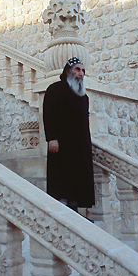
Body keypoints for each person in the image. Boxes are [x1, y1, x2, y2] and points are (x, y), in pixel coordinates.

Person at [42, 57, 95, 218]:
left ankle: (75, 212)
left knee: (78, 181)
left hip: (79, 146)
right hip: (61, 144)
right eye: (77, 69)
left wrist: (87, 146)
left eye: (83, 70)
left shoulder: (83, 96)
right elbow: (48, 115)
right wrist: (52, 138)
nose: (81, 73)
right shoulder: (55, 89)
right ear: (67, 71)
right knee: (61, 180)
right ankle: (61, 214)